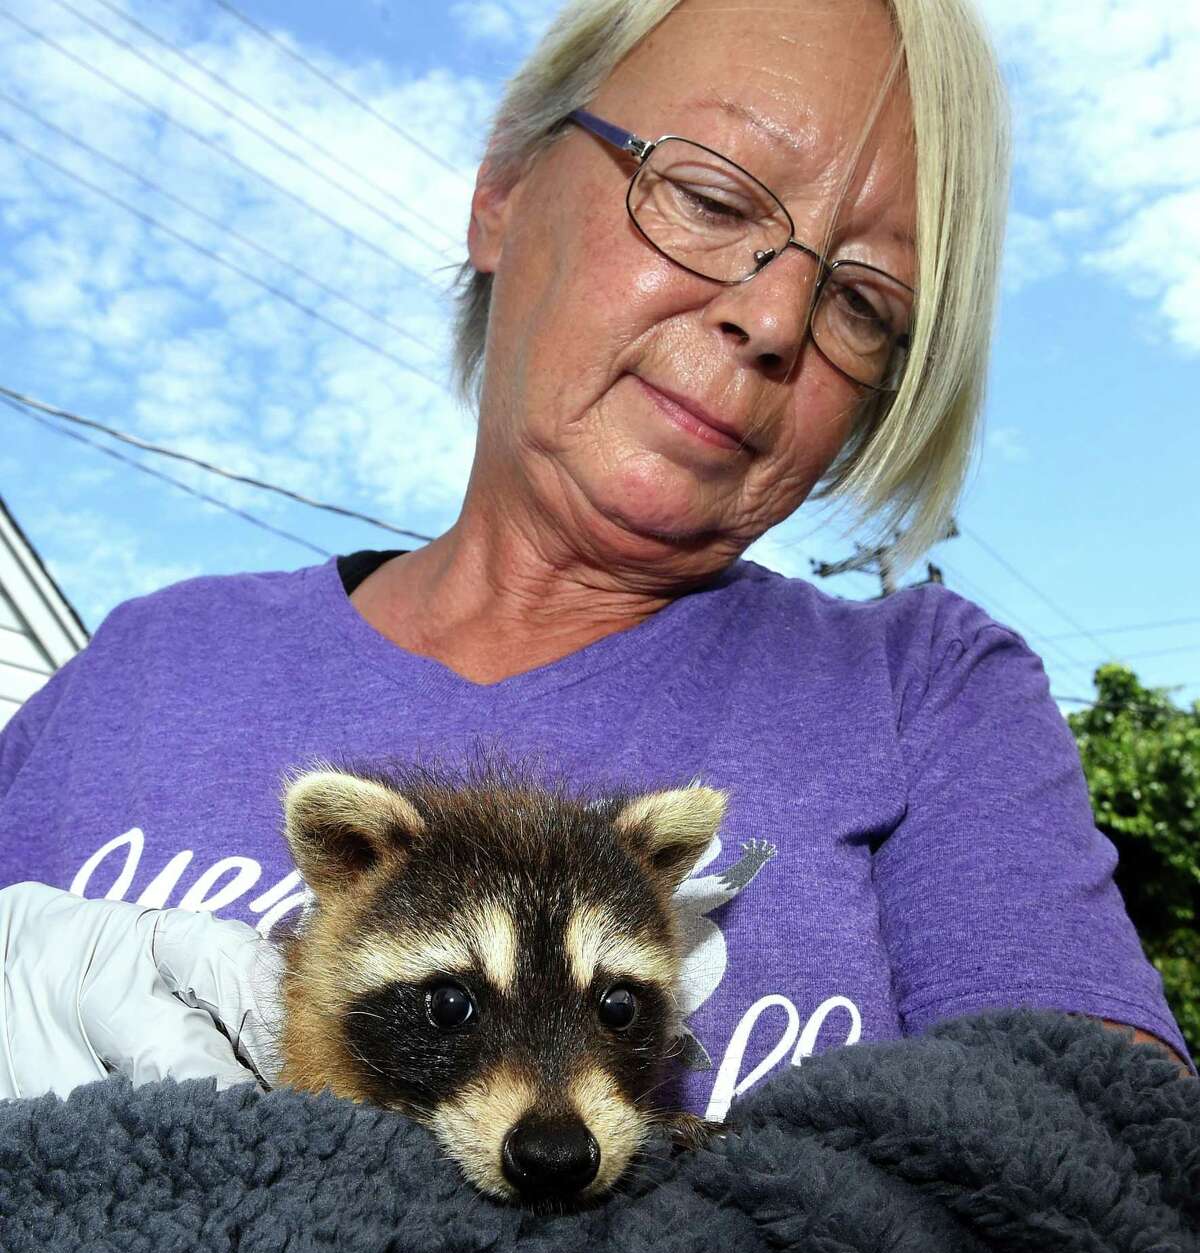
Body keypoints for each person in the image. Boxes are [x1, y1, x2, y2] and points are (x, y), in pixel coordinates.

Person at [0, 0, 1190, 1115]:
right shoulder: (146, 662)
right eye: (713, 198)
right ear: (503, 193)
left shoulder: (929, 692)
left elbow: (1094, 1200)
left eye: (863, 304)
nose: (775, 320)